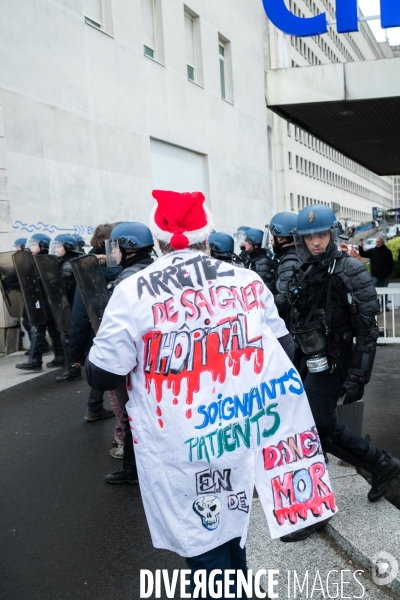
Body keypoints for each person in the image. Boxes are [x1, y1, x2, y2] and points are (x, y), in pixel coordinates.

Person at [86, 190, 296, 595]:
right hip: (237, 428)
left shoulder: (133, 292)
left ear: (160, 239)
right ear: (207, 234)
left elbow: (102, 374)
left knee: (202, 539)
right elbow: (284, 349)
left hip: (176, 442)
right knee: (231, 523)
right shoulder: (246, 281)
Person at [284, 205, 400, 542]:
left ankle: (316, 508)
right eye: (309, 237)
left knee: (313, 429)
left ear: (331, 234)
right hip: (310, 360)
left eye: (321, 235)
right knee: (319, 428)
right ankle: (379, 463)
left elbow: (367, 329)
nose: (316, 242)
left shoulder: (351, 269)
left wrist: (357, 376)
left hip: (337, 362)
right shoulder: (304, 268)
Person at [56, 225, 122, 426]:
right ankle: (122, 433)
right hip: (115, 332)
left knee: (103, 367)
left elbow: (79, 316)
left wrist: (74, 356)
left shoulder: (86, 267)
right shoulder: (120, 269)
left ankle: (95, 408)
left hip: (97, 331)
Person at [15, 234, 65, 371]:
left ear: (43, 246)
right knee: (51, 329)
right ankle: (60, 357)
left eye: (33, 245)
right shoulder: (33, 260)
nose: (30, 247)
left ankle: (36, 360)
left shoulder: (47, 261)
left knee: (39, 327)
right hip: (41, 301)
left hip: (46, 302)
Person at [269, 212, 298, 327]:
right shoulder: (295, 255)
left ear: (280, 237)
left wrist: (266, 303)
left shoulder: (289, 261)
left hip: (292, 324)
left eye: (272, 235)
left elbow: (285, 298)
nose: (271, 239)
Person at [358, 237, 394, 311]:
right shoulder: (373, 251)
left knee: (385, 291)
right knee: (375, 292)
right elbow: (363, 254)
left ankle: (384, 306)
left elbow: (391, 263)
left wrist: (389, 272)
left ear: (382, 242)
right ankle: (377, 306)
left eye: (379, 241)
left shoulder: (387, 252)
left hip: (385, 275)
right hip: (375, 275)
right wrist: (360, 247)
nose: (377, 243)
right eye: (377, 241)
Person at [242, 228, 277, 292]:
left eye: (246, 240)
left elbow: (262, 289)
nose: (244, 243)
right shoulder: (254, 258)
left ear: (254, 243)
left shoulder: (261, 262)